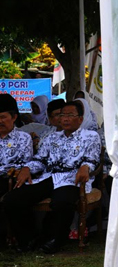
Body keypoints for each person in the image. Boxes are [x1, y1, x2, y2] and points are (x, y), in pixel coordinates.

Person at [2, 100, 102, 253]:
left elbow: (92, 159)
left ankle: (56, 239)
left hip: (72, 178)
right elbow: (40, 160)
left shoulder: (90, 136)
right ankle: (28, 239)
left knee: (62, 201)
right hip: (48, 176)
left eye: (70, 115)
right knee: (12, 199)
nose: (66, 119)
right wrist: (27, 168)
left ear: (80, 119)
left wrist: (85, 167)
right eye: (63, 115)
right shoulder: (51, 138)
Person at [0, 94, 34, 249]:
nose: (0, 121)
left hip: (13, 178)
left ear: (13, 117)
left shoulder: (23, 137)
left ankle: (22, 240)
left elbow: (25, 163)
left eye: (2, 117)